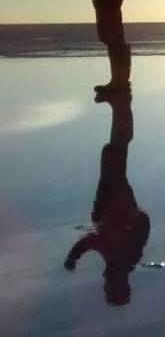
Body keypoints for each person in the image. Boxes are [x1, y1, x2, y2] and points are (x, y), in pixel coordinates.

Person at [64, 94, 150, 306]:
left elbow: (91, 242)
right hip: (115, 202)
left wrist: (74, 257)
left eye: (107, 286)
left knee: (115, 152)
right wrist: (135, 216)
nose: (105, 280)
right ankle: (121, 103)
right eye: (109, 285)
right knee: (115, 153)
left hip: (108, 203)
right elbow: (143, 227)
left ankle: (119, 105)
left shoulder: (118, 261)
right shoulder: (125, 260)